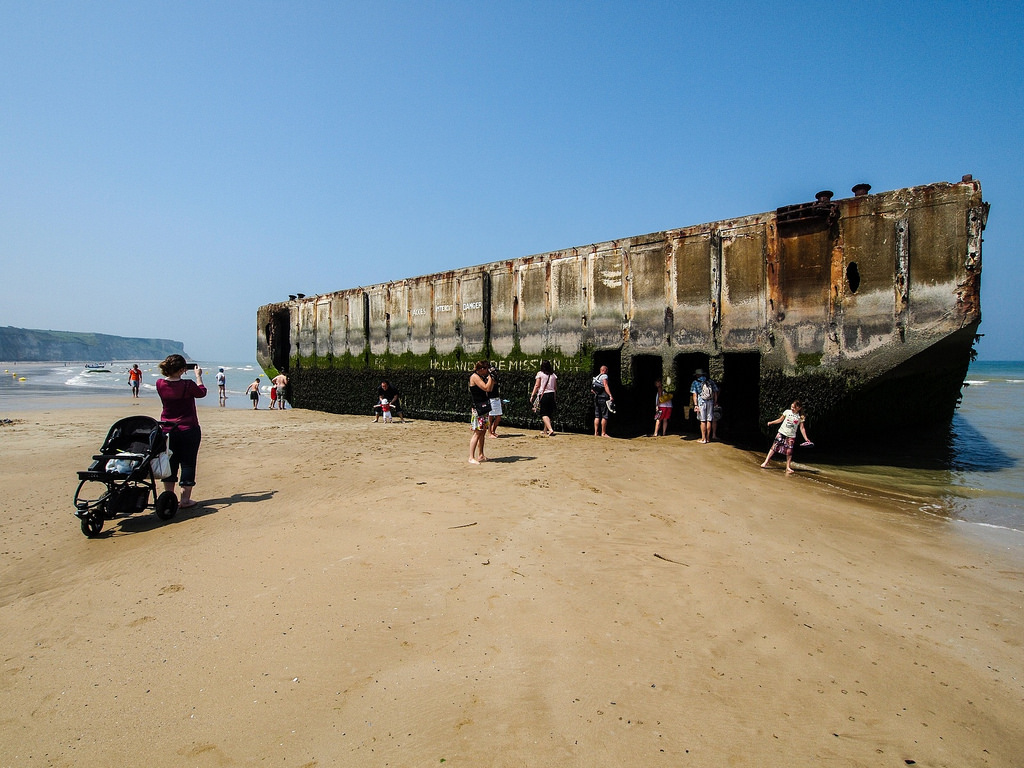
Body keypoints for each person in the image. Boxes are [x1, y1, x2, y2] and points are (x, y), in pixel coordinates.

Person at [156, 354, 207, 509]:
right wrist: (198, 377)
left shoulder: (160, 384)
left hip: (167, 429)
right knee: (188, 463)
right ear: (183, 369)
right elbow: (202, 392)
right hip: (188, 427)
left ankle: (169, 496)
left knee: (170, 462)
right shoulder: (187, 385)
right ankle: (185, 499)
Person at [761, 399, 812, 474]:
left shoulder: (801, 417)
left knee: (789, 452)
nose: (792, 408)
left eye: (794, 407)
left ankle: (788, 467)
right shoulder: (787, 412)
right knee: (774, 447)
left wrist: (806, 439)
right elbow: (780, 420)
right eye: (791, 406)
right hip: (782, 432)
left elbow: (802, 428)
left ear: (799, 408)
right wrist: (771, 422)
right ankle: (765, 462)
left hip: (791, 436)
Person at [468, 360, 494, 464]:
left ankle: (481, 455)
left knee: (482, 432)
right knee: (477, 432)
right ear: (481, 369)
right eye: (486, 369)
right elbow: (486, 388)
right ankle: (471, 457)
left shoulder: (482, 377)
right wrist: (491, 377)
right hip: (478, 408)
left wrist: (492, 378)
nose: (487, 371)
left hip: (483, 407)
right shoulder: (474, 376)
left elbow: (490, 389)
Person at [690, 368, 718, 444]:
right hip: (710, 402)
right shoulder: (710, 381)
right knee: (709, 420)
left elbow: (694, 395)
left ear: (697, 375)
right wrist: (715, 402)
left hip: (701, 402)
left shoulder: (695, 382)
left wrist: (696, 405)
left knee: (703, 421)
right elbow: (715, 392)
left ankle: (703, 438)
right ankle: (708, 438)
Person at [531, 360, 558, 436]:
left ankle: (550, 429)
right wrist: (555, 397)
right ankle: (545, 430)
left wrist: (532, 395)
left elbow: (537, 385)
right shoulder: (553, 375)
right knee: (549, 413)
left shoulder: (540, 374)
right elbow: (555, 387)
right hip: (552, 394)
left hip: (544, 395)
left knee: (543, 414)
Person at [592, 365, 613, 437]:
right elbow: (605, 385)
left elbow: (592, 390)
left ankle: (595, 432)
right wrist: (610, 395)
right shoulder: (604, 376)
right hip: (604, 398)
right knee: (605, 415)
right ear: (604, 370)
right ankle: (603, 433)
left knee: (597, 416)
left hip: (596, 397)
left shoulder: (595, 378)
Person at [487, 362, 503, 437]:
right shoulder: (489, 378)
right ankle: (490, 432)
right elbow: (488, 390)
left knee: (498, 416)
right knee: (490, 417)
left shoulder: (495, 379)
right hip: (491, 399)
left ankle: (493, 431)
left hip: (497, 399)